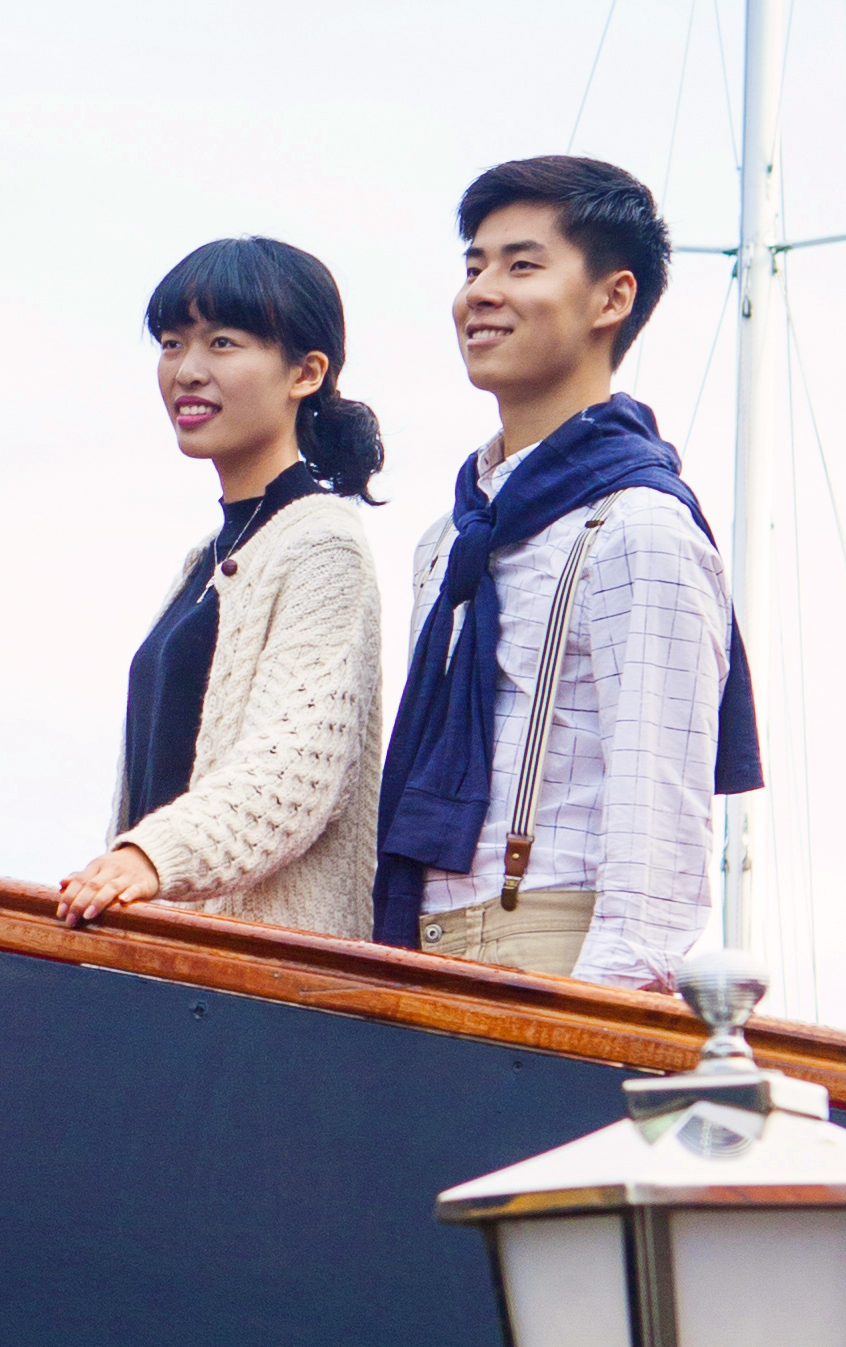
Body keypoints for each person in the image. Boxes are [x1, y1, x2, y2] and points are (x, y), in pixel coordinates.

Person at [374, 152, 759, 991]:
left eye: (522, 265)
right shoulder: (453, 535)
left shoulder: (639, 525)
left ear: (612, 298)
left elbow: (658, 826)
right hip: (418, 948)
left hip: (554, 954)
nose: (481, 291)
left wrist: (596, 1018)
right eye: (473, 265)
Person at [53, 236, 387, 935]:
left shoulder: (321, 542)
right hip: (173, 963)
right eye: (172, 344)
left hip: (263, 981)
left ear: (305, 373)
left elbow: (294, 765)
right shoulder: (205, 557)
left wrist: (149, 857)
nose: (187, 371)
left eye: (223, 343)